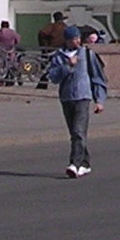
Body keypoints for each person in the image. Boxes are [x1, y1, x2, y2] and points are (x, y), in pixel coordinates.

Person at [47, 25, 107, 177]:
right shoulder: (59, 56)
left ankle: (74, 164)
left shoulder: (87, 54)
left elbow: (97, 77)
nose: (77, 41)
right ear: (67, 40)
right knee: (74, 133)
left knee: (79, 131)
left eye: (78, 38)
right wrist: (67, 66)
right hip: (66, 97)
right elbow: (53, 77)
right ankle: (85, 163)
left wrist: (99, 100)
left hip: (83, 96)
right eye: (74, 39)